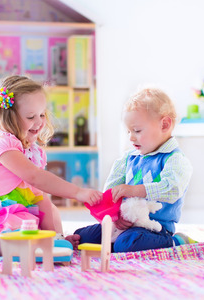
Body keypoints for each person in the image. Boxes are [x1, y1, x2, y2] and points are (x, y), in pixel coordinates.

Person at [0, 75, 102, 255]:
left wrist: (57, 236)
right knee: (20, 237)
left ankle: (53, 241)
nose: (39, 122)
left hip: (19, 209)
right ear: (8, 117)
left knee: (50, 210)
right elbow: (35, 177)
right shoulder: (1, 143)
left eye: (42, 114)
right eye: (31, 116)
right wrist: (78, 192)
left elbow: (39, 197)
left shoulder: (33, 150)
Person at [68, 86, 195, 252]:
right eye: (128, 131)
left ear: (164, 124)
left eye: (137, 130)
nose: (131, 137)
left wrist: (134, 190)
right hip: (123, 224)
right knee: (82, 237)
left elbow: (172, 189)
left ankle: (177, 241)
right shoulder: (128, 158)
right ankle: (114, 243)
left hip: (155, 229)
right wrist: (116, 215)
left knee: (128, 243)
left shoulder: (175, 159)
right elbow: (111, 191)